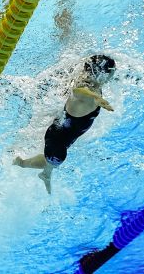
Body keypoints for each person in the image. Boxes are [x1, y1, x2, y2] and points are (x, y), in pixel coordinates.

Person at [13, 54, 116, 193]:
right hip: (57, 139)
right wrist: (95, 97)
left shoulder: (89, 83)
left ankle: (29, 167)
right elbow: (77, 92)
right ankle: (31, 168)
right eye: (112, 72)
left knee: (49, 163)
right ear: (103, 74)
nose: (114, 74)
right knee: (51, 162)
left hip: (60, 135)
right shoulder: (87, 94)